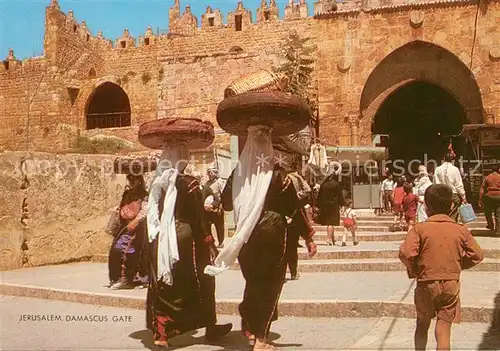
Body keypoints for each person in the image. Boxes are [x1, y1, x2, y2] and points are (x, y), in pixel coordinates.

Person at [204, 125, 317, 351]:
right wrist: (308, 236)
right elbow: (293, 208)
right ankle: (261, 339)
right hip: (272, 234)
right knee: (270, 285)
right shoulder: (277, 175)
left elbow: (225, 203)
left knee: (254, 282)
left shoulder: (238, 173)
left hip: (245, 235)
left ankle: (250, 327)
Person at [146, 146, 232, 348]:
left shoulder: (157, 183)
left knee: (167, 282)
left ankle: (161, 334)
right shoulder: (190, 183)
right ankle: (210, 326)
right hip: (187, 238)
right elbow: (198, 217)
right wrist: (209, 241)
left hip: (161, 238)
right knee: (205, 279)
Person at [399, 184, 484, 351]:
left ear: (426, 206)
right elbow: (478, 255)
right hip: (451, 283)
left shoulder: (419, 229)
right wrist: (458, 264)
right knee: (444, 327)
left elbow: (405, 253)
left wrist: (414, 268)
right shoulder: (460, 230)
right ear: (451, 206)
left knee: (422, 324)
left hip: (425, 283)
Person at [106, 174, 149, 290]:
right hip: (124, 227)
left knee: (124, 250)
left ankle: (126, 279)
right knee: (115, 250)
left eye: (133, 179)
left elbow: (145, 211)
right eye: (129, 179)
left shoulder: (145, 196)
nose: (130, 181)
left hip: (137, 229)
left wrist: (135, 221)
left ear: (139, 180)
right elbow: (123, 205)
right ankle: (117, 278)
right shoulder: (127, 194)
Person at [285, 161, 315, 280]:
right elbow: (308, 190)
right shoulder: (297, 177)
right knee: (292, 247)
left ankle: (281, 273)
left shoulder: (279, 176)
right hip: (295, 214)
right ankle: (293, 272)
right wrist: (298, 195)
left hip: (279, 216)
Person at [434, 153, 467, 222]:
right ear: (453, 161)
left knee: (442, 214)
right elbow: (459, 185)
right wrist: (463, 197)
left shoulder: (437, 169)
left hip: (441, 195)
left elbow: (435, 184)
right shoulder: (455, 169)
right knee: (453, 215)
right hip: (453, 195)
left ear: (443, 159)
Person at [317, 167, 345, 246]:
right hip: (333, 206)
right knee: (331, 223)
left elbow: (320, 196)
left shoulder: (323, 184)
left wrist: (318, 205)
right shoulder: (336, 184)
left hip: (325, 206)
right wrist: (342, 205)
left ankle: (332, 239)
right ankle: (329, 239)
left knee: (329, 223)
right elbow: (340, 195)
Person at [203, 168, 226, 248]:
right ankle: (211, 241)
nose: (209, 174)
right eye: (208, 172)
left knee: (219, 226)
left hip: (218, 206)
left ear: (215, 173)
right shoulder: (207, 183)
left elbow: (223, 194)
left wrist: (220, 206)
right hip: (209, 207)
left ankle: (221, 242)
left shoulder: (220, 182)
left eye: (211, 172)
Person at [479, 164, 500, 235]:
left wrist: (480, 199)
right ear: (498, 170)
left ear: (491, 170)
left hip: (489, 197)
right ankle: (498, 230)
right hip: (499, 197)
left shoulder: (487, 177)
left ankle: (490, 225)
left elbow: (482, 189)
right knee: (498, 214)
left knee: (488, 212)